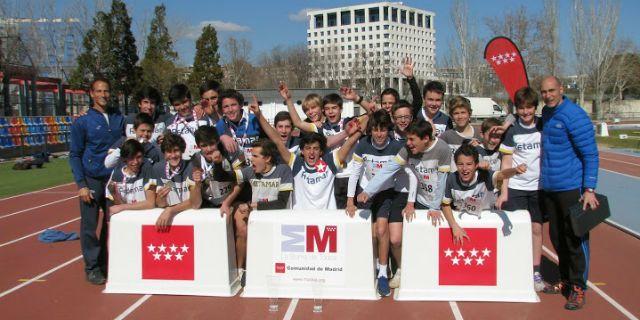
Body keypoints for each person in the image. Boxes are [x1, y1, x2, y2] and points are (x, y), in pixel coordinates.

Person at [538, 76, 599, 311]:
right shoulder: (546, 113)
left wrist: (589, 189)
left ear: (561, 89)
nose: (548, 95)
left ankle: (578, 287)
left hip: (572, 188)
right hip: (551, 189)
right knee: (557, 237)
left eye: (552, 90)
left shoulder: (575, 115)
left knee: (575, 240)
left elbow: (591, 155)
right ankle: (565, 280)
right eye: (544, 92)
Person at [252, 96, 362, 210]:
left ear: (321, 151)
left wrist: (355, 126)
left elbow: (350, 142)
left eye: (315, 148)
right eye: (308, 148)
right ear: (302, 151)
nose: (311, 152)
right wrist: (259, 115)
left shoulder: (329, 162)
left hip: (326, 220)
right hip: (301, 221)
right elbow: (277, 140)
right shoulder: (297, 163)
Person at [69, 77, 124, 285]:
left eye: (106, 91)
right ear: (91, 94)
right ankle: (92, 267)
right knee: (90, 226)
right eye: (99, 91)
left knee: (113, 224)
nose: (103, 95)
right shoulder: (82, 121)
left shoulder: (119, 118)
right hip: (92, 180)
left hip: (114, 181)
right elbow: (74, 154)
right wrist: (81, 185)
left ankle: (106, 263)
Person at [214, 138, 294, 277]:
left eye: (255, 156)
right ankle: (240, 271)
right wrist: (217, 163)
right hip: (258, 221)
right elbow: (224, 177)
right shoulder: (250, 171)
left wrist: (252, 205)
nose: (251, 160)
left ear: (268, 158)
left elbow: (281, 203)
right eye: (251, 156)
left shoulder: (283, 170)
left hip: (280, 223)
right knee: (242, 230)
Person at [346, 110, 405, 297]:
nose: (379, 134)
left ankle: (382, 274)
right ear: (370, 130)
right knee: (371, 235)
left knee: (381, 230)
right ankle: (372, 266)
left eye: (383, 130)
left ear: (389, 129)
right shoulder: (362, 144)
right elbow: (355, 172)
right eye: (375, 130)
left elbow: (394, 173)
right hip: (364, 192)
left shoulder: (396, 147)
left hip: (385, 192)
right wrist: (350, 200)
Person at [498, 87, 546, 292]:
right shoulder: (512, 131)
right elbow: (506, 160)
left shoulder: (543, 126)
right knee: (517, 229)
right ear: (516, 109)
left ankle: (535, 271)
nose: (526, 112)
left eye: (529, 108)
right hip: (517, 187)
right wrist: (504, 190)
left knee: (536, 229)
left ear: (536, 108)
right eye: (521, 108)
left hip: (538, 187)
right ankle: (515, 269)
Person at [436, 142, 526, 244]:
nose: (464, 169)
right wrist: (454, 226)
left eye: (469, 164)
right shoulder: (451, 179)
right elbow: (445, 204)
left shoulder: (485, 175)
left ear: (476, 165)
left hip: (487, 221)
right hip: (462, 223)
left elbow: (501, 175)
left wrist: (515, 170)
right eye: (460, 164)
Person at [190, 126, 245, 216]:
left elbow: (241, 182)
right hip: (208, 204)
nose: (209, 149)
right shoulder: (195, 160)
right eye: (204, 145)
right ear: (198, 146)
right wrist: (197, 185)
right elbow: (195, 204)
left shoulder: (231, 152)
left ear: (217, 141)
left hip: (233, 200)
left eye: (212, 144)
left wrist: (226, 203)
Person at [151, 133, 199, 232]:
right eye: (169, 152)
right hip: (170, 221)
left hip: (191, 218)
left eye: (176, 151)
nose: (173, 155)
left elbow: (195, 203)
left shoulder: (191, 167)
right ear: (164, 153)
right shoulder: (157, 168)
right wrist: (161, 199)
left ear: (182, 151)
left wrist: (170, 210)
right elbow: (160, 204)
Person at [106, 139, 156, 214]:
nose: (135, 162)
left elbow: (150, 203)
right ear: (124, 159)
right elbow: (117, 206)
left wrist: (123, 207)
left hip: (145, 217)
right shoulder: (116, 174)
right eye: (131, 158)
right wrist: (114, 193)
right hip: (128, 219)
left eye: (139, 157)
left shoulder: (147, 169)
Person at [216, 89, 263, 165]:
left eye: (233, 105)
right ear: (222, 109)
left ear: (240, 105)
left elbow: (273, 138)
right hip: (235, 172)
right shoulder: (220, 125)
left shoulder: (255, 119)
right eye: (226, 106)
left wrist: (260, 116)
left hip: (256, 169)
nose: (230, 110)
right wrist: (221, 137)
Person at [163, 84, 210, 159]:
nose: (182, 107)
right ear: (172, 105)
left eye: (184, 102)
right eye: (177, 104)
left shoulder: (202, 115)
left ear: (190, 99)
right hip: (181, 165)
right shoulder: (170, 123)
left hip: (203, 161)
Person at [439, 96, 482, 170]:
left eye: (463, 112)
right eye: (456, 113)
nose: (460, 116)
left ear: (469, 113)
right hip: (453, 179)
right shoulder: (446, 136)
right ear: (452, 116)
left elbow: (486, 160)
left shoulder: (479, 135)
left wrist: (479, 149)